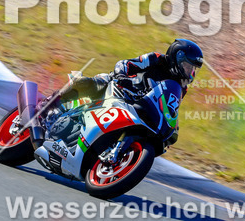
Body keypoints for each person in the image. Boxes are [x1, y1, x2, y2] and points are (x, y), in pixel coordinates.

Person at [48, 39, 204, 151]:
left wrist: (171, 128)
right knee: (89, 83)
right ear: (177, 58)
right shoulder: (156, 59)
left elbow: (170, 108)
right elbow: (126, 64)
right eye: (188, 66)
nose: (191, 72)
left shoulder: (181, 88)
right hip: (119, 87)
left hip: (138, 106)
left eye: (193, 69)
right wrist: (122, 76)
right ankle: (49, 105)